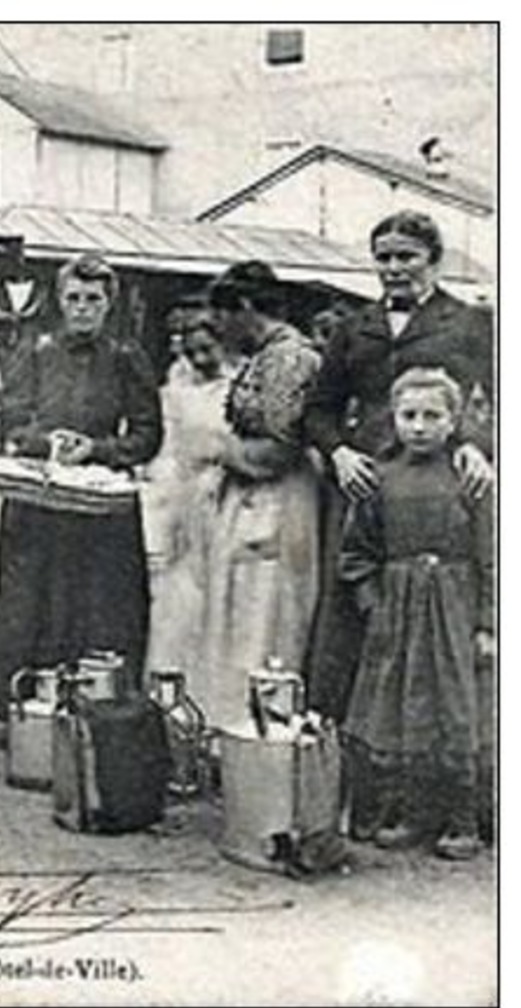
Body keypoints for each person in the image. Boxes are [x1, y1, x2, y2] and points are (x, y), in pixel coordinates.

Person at [303, 211, 494, 719]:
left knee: (431, 605)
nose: (394, 268)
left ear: (435, 259)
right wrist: (339, 452)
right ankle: (340, 736)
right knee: (348, 606)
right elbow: (319, 407)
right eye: (383, 258)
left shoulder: (469, 323)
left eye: (406, 256)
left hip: (436, 487)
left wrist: (477, 444)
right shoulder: (353, 328)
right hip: (362, 483)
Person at [0, 254, 161, 724]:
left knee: (97, 603)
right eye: (74, 298)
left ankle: (92, 708)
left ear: (108, 304)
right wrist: (48, 443)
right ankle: (20, 710)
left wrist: (97, 450)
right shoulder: (34, 349)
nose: (83, 308)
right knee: (28, 600)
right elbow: (13, 420)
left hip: (96, 504)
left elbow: (147, 435)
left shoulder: (126, 357)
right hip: (38, 497)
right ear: (59, 302)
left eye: (93, 300)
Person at [339, 368, 493, 860]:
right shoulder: (378, 476)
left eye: (433, 416)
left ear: (453, 422)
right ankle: (408, 812)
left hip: (454, 603)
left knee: (455, 706)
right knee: (400, 706)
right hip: (398, 609)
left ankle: (462, 817)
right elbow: (357, 553)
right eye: (409, 415)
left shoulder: (471, 477)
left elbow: (493, 556)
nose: (420, 426)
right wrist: (375, 604)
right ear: (394, 417)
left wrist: (489, 623)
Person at [187, 263, 322, 728]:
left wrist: (222, 450)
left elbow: (281, 448)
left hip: (278, 502)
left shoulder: (290, 357)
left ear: (244, 309)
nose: (218, 331)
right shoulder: (266, 355)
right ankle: (232, 731)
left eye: (222, 318)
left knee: (264, 615)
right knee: (239, 613)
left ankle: (259, 735)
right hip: (250, 497)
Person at [142, 305, 236, 680]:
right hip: (186, 494)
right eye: (190, 351)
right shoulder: (176, 391)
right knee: (180, 593)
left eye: (206, 349)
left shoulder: (238, 386)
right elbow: (168, 451)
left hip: (228, 490)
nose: (199, 359)